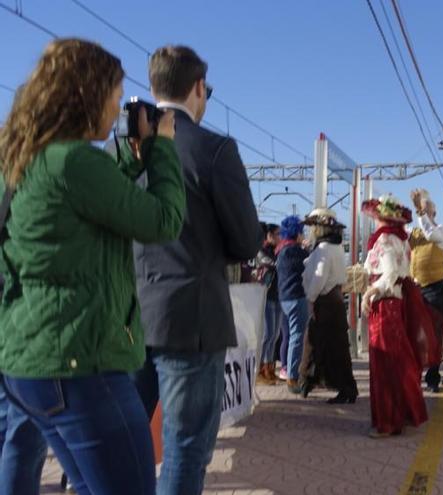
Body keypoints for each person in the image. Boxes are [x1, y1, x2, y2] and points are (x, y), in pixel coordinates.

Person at [0, 38, 185, 494]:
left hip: (29, 362)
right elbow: (164, 221)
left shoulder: (24, 158)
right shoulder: (75, 162)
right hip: (81, 365)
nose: (117, 110)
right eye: (116, 98)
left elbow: (88, 204)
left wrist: (127, 160)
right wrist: (161, 149)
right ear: (87, 95)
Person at [132, 45, 262, 495]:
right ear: (199, 89)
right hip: (192, 319)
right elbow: (247, 241)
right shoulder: (213, 149)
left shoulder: (127, 148)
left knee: (122, 440)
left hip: (128, 316)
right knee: (185, 445)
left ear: (154, 87)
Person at [361, 196, 432, 438]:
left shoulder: (384, 239)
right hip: (397, 302)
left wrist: (371, 291)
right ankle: (402, 414)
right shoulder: (401, 239)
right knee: (398, 362)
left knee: (385, 364)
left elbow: (389, 272)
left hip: (385, 305)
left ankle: (388, 421)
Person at [300, 208, 358, 404]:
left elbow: (319, 276)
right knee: (335, 345)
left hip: (325, 301)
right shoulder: (335, 247)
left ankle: (308, 380)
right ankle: (343, 386)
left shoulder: (324, 249)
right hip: (334, 299)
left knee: (317, 343)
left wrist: (311, 297)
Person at [408, 189, 443, 394]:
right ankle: (414, 375)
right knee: (414, 334)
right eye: (423, 211)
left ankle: (433, 377)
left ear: (433, 213)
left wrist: (420, 211)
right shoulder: (413, 233)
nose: (424, 214)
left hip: (434, 287)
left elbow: (430, 233)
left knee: (432, 335)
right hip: (415, 288)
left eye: (428, 211)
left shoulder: (441, 231)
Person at [275, 215, 309, 394]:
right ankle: (292, 377)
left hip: (283, 298)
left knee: (287, 336)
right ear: (296, 233)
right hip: (297, 297)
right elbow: (309, 266)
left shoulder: (280, 250)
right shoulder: (297, 251)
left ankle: (286, 369)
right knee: (297, 336)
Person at [255, 222, 283, 385]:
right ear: (269, 235)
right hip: (266, 297)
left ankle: (270, 368)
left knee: (274, 335)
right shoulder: (261, 252)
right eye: (277, 234)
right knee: (267, 335)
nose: (280, 238)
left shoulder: (276, 251)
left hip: (277, 296)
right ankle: (260, 369)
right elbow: (271, 264)